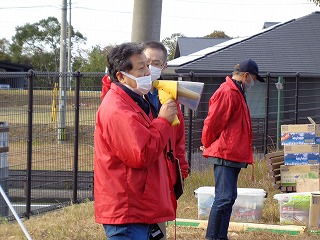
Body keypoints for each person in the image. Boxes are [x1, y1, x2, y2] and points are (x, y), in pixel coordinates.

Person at [94, 42, 178, 240]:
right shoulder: (118, 109)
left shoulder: (134, 100)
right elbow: (142, 154)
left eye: (148, 66)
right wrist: (163, 122)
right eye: (142, 68)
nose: (148, 72)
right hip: (127, 209)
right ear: (122, 76)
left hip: (137, 206)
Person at [201, 59, 264, 240]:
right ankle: (213, 237)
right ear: (245, 76)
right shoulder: (228, 92)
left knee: (228, 198)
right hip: (225, 152)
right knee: (224, 198)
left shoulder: (236, 91)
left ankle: (220, 236)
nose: (253, 83)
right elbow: (213, 122)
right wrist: (207, 142)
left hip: (232, 153)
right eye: (252, 78)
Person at [143, 40, 189, 240]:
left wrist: (181, 170)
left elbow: (178, 139)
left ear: (164, 66)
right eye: (147, 62)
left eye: (156, 63)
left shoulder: (169, 96)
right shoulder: (134, 95)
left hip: (165, 174)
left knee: (159, 231)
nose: (151, 67)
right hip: (143, 173)